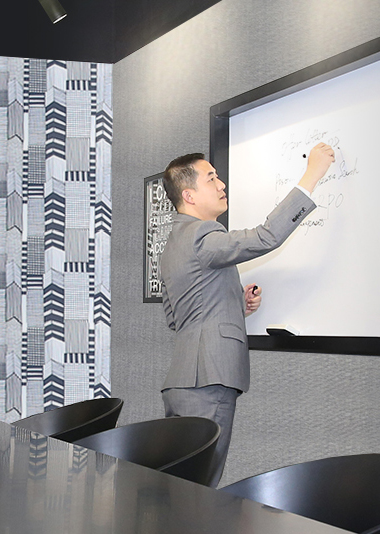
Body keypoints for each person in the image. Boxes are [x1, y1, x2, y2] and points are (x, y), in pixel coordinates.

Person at [159, 144, 335, 487]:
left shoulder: (172, 246)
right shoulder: (202, 233)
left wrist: (235, 304)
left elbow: (178, 316)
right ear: (189, 196)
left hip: (182, 382)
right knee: (198, 488)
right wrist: (312, 174)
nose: (221, 184)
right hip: (209, 380)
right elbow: (266, 237)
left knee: (179, 484)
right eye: (212, 179)